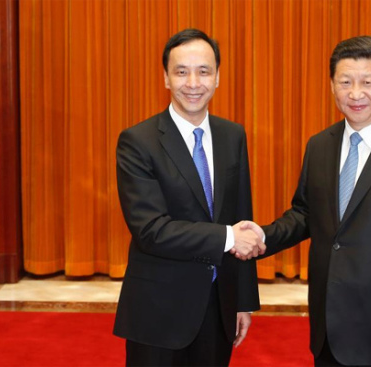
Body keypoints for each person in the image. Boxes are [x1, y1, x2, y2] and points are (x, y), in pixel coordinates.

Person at [239, 35, 371, 366]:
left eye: (367, 81)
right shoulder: (320, 145)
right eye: (345, 82)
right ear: (332, 85)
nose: (355, 93)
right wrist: (262, 236)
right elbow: (305, 214)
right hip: (329, 323)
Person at [113, 28, 265, 367]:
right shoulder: (138, 141)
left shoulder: (232, 135)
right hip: (158, 310)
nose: (193, 82)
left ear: (218, 77)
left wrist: (242, 301)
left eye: (203, 71)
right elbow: (151, 229)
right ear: (166, 78)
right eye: (181, 72)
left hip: (218, 305)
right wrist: (228, 237)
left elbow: (241, 213)